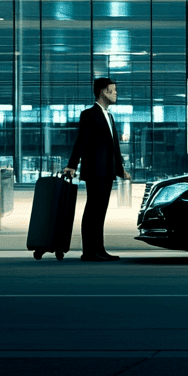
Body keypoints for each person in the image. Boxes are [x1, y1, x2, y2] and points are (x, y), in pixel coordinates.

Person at [64, 77, 131, 262]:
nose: (117, 93)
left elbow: (114, 146)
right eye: (114, 90)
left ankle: (99, 250)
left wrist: (120, 169)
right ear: (103, 91)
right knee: (93, 210)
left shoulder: (109, 116)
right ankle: (89, 251)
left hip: (108, 172)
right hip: (95, 171)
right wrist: (71, 164)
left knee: (100, 211)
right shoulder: (89, 114)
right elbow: (81, 142)